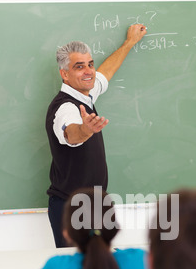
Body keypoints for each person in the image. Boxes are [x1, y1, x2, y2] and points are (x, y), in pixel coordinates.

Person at [46, 24, 147, 247]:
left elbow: (106, 72)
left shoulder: (86, 95)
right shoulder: (65, 108)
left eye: (90, 64)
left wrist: (129, 43)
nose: (89, 71)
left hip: (94, 205)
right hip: (72, 208)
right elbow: (71, 133)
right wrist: (85, 130)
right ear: (64, 74)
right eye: (79, 67)